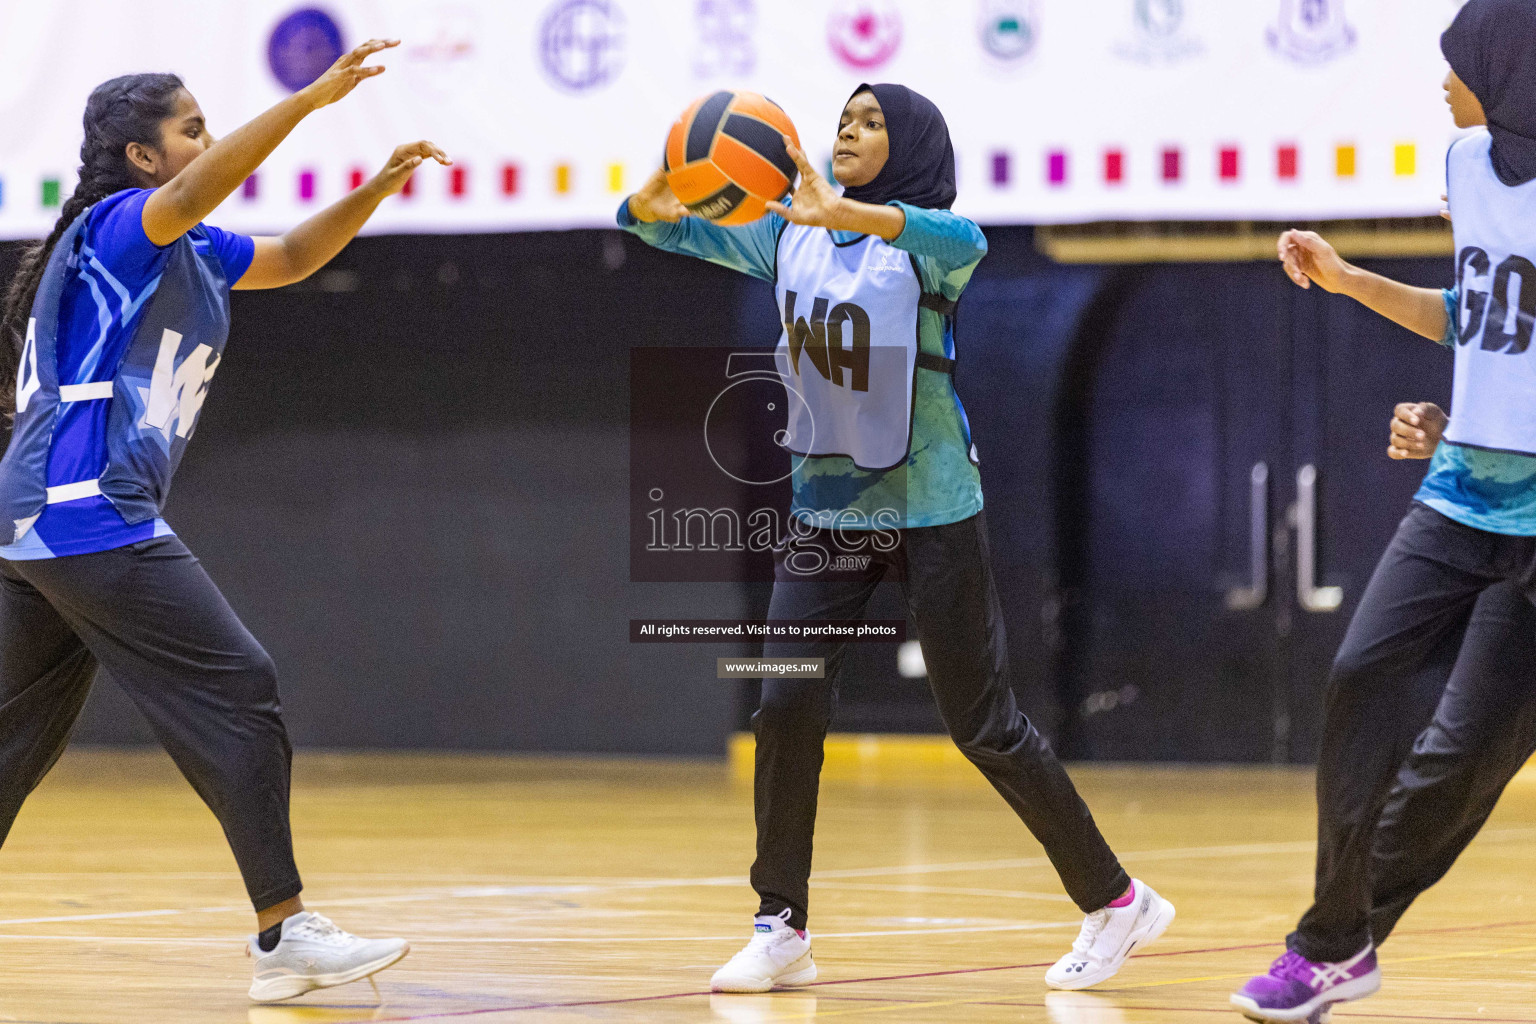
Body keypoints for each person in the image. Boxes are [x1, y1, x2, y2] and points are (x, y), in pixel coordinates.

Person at [620, 82, 1174, 994]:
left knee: (983, 726)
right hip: (828, 511)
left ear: (910, 149)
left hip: (932, 510)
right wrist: (669, 177)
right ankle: (780, 926)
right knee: (784, 705)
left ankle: (1118, 902)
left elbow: (965, 242)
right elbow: (656, 225)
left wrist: (849, 211)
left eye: (872, 122)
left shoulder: (932, 247)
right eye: (843, 117)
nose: (849, 129)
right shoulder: (786, 233)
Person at [0, 41, 449, 1002]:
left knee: (12, 738)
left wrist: (373, 188)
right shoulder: (124, 226)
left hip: (37, 520)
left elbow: (289, 257)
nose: (206, 142)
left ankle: (285, 938)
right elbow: (212, 185)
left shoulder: (191, 249)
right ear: (143, 158)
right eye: (190, 129)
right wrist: (311, 102)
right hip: (85, 512)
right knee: (238, 685)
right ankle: (283, 937)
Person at [1233, 2, 1536, 1019]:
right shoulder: (1462, 163)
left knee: (1460, 764)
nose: (1443, 80)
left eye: (1458, 62)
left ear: (1512, 69)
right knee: (1361, 674)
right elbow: (1486, 314)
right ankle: (1328, 944)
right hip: (1460, 494)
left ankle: (1343, 941)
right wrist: (1348, 279)